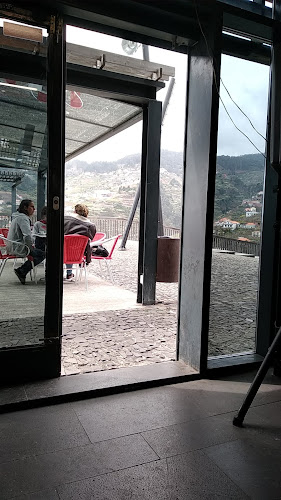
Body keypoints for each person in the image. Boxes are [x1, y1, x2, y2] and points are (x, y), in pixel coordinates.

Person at [7, 199, 46, 285]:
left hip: (13, 245)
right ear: (25, 208)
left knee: (39, 252)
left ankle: (22, 271)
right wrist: (31, 248)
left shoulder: (17, 217)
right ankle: (22, 271)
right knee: (43, 254)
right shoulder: (23, 219)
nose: (34, 209)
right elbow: (27, 236)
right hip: (18, 247)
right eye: (32, 207)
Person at [64, 203, 96, 280]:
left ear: (75, 211)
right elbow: (91, 238)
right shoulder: (91, 226)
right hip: (78, 253)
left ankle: (66, 273)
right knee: (72, 248)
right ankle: (69, 274)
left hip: (61, 251)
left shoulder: (65, 219)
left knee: (67, 246)